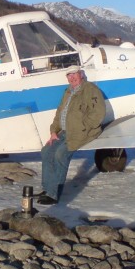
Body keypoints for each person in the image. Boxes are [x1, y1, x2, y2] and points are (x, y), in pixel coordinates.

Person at [37, 65, 106, 205]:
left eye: (74, 74)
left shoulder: (90, 90)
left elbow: (98, 113)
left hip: (83, 132)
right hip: (65, 131)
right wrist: (53, 131)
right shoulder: (68, 91)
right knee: (46, 151)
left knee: (60, 154)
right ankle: (47, 189)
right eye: (69, 75)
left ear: (81, 74)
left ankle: (53, 195)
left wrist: (83, 126)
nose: (72, 77)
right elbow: (60, 113)